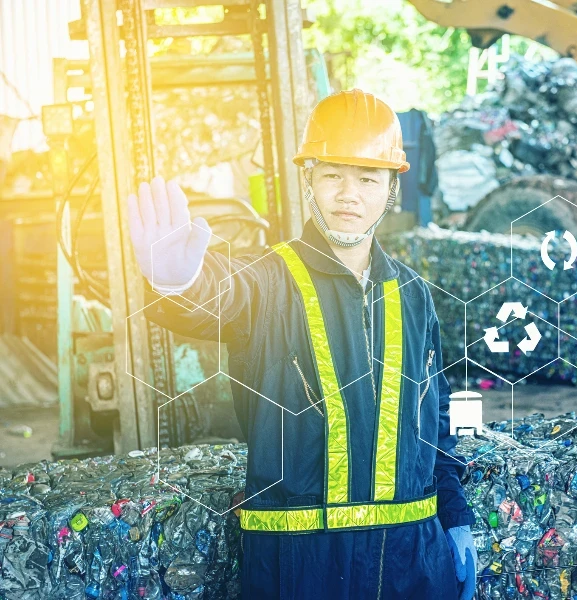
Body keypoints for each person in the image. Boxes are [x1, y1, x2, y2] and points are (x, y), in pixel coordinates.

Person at [127, 89, 477, 600]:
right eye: (333, 175)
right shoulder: (270, 280)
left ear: (391, 189)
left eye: (367, 178)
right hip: (302, 564)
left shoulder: (413, 294)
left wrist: (455, 516)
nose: (349, 194)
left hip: (412, 559)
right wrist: (178, 282)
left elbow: (436, 421)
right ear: (308, 178)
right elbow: (221, 294)